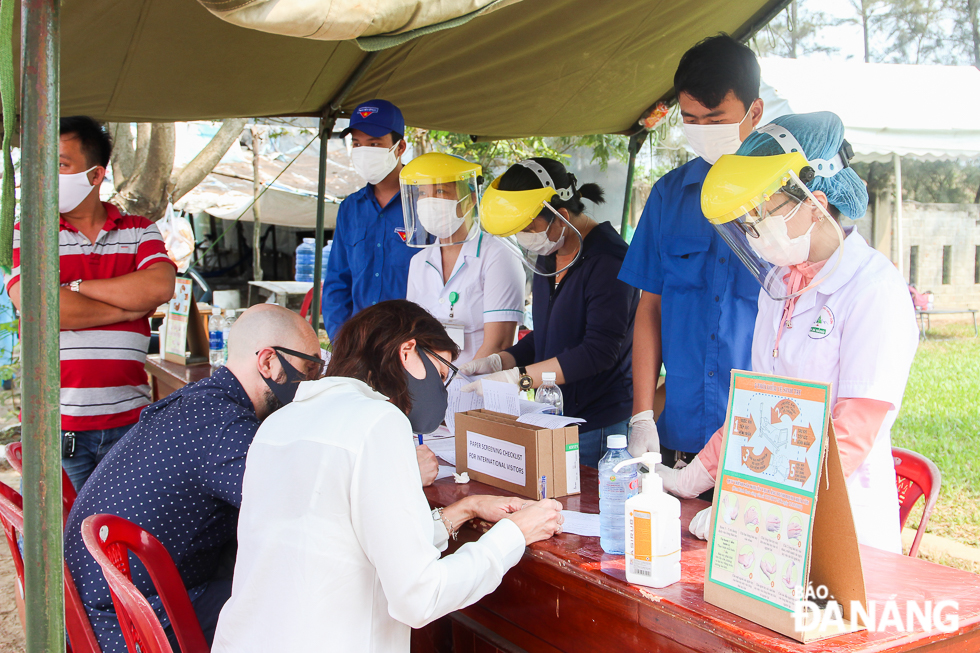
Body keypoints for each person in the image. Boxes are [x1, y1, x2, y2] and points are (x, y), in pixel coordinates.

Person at [211, 300, 563, 652]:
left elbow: (350, 536)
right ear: (408, 350)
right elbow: (420, 596)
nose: (441, 391)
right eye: (441, 374)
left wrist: (463, 510)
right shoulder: (379, 420)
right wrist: (514, 534)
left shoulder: (278, 422)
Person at [655, 113, 919, 554]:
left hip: (840, 525)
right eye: (748, 217)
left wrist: (758, 511)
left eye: (764, 211)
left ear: (814, 203)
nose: (755, 227)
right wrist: (692, 477)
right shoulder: (779, 287)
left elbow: (850, 435)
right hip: (773, 523)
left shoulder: (874, 289)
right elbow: (756, 405)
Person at [63, 304, 324, 652]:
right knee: (302, 595)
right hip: (128, 624)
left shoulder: (203, 403)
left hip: (96, 605)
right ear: (268, 362)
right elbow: (302, 504)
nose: (312, 383)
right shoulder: (225, 428)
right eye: (309, 369)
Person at [618, 35, 764, 472]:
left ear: (754, 112)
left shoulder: (784, 198)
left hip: (760, 438)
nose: (702, 131)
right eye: (691, 120)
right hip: (681, 434)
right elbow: (651, 307)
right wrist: (643, 414)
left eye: (715, 119)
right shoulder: (669, 196)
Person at [6, 116, 177, 490]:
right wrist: (126, 310)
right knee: (66, 537)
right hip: (58, 426)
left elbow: (160, 285)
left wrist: (76, 286)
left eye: (62, 165)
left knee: (121, 531)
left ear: (95, 175)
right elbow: (39, 307)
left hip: (130, 421)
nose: (48, 175)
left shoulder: (138, 229)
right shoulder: (30, 232)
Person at [463, 159, 639, 468]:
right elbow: (547, 337)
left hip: (596, 422)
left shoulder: (609, 262)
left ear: (563, 217)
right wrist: (502, 360)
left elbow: (598, 352)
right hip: (554, 413)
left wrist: (520, 380)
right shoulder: (549, 255)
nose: (525, 237)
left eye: (529, 228)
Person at [403, 152, 525, 364]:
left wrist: (456, 385)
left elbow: (499, 344)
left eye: (440, 190)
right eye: (423, 193)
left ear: (471, 199)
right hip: (430, 388)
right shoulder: (419, 262)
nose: (429, 201)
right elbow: (412, 336)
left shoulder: (498, 254)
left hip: (480, 389)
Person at [321, 99, 416, 341]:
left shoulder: (425, 204)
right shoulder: (350, 208)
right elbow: (336, 282)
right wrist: (341, 339)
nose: (364, 152)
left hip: (413, 341)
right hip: (359, 343)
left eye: (374, 144)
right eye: (357, 144)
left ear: (400, 147)